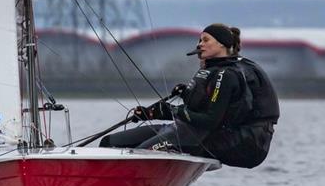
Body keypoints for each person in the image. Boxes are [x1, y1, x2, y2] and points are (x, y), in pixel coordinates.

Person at [100, 23, 279, 168]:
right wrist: (150, 113)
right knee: (109, 142)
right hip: (191, 132)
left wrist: (176, 111)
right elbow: (192, 112)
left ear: (222, 44)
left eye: (205, 40)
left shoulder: (226, 75)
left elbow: (210, 120)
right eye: (199, 40)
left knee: (139, 156)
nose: (199, 44)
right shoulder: (210, 72)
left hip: (236, 143)